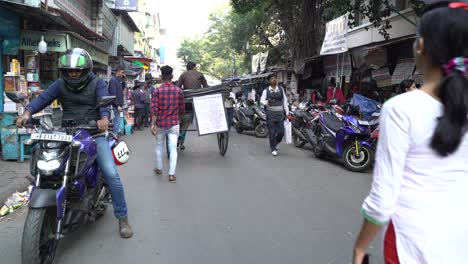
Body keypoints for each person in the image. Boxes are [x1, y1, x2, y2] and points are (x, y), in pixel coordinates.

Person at [353, 2, 468, 263]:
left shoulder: (400, 109)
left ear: (421, 46)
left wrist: (360, 248)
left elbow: (383, 200)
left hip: (410, 245)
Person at [15, 48, 133, 238]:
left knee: (111, 174)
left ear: (86, 70)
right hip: (67, 133)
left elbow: (104, 104)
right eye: (69, 71)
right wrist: (28, 112)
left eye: (77, 71)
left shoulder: (96, 83)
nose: (73, 74)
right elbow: (44, 99)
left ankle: (123, 217)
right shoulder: (60, 84)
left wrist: (104, 118)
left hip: (95, 133)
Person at [151, 65, 185, 183]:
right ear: (171, 76)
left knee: (159, 146)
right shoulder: (178, 91)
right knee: (173, 149)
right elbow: (182, 109)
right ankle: (171, 175)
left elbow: (154, 109)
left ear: (161, 76)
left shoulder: (157, 91)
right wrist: (179, 120)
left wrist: (152, 124)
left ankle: (159, 169)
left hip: (160, 124)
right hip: (174, 123)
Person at [176, 61, 209, 150]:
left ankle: (178, 139)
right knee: (185, 124)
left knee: (181, 123)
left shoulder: (183, 75)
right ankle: (181, 141)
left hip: (185, 101)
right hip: (197, 101)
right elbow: (206, 87)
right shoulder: (200, 74)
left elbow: (177, 87)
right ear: (194, 67)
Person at [260, 75, 289, 156]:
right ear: (269, 81)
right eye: (272, 79)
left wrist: (287, 112)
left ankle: (275, 142)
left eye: (275, 78)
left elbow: (285, 101)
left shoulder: (281, 89)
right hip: (270, 114)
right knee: (272, 132)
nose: (274, 80)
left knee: (281, 132)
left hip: (280, 114)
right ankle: (273, 148)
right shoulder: (266, 91)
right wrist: (266, 102)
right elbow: (261, 101)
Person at [108, 65, 125, 135]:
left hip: (118, 105)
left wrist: (124, 80)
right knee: (116, 122)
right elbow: (113, 94)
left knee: (117, 122)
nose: (123, 74)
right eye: (122, 72)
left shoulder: (118, 80)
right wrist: (117, 105)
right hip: (115, 106)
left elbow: (122, 89)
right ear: (118, 72)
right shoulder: (113, 80)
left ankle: (115, 135)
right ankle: (114, 136)